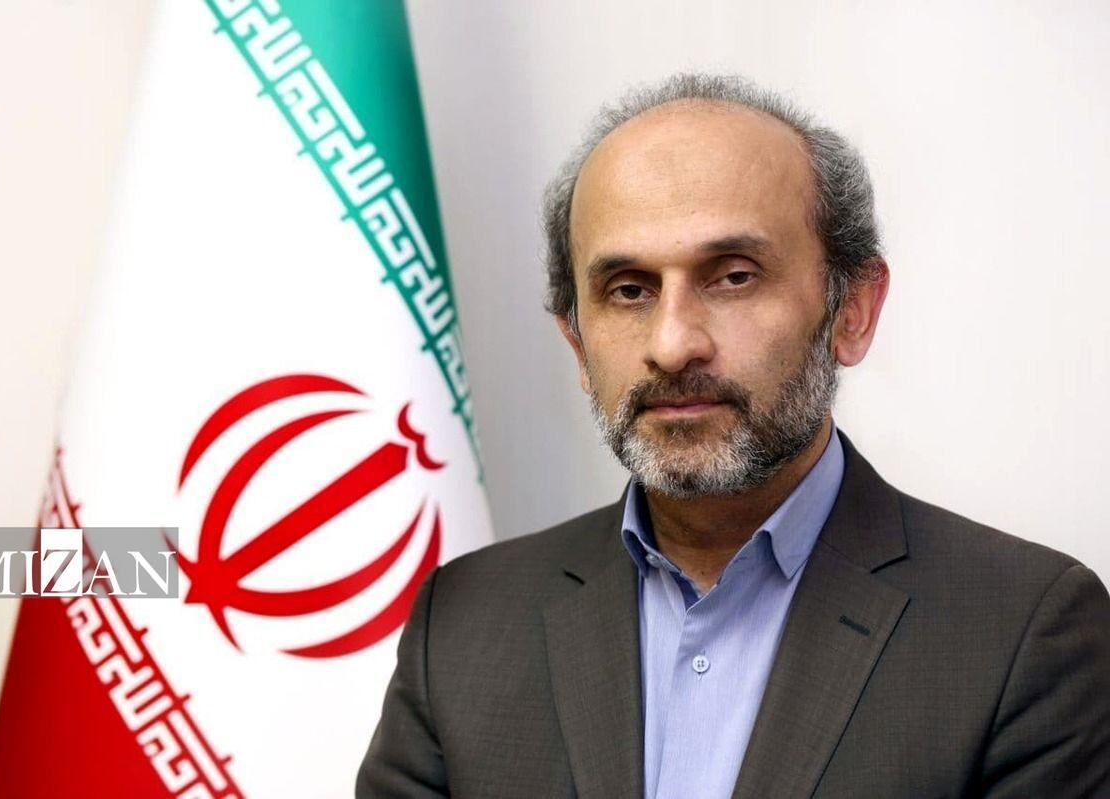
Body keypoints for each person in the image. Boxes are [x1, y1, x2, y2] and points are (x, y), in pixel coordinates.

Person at [356, 73, 1110, 798]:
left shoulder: (1023, 633)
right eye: (629, 290)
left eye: (734, 276)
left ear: (852, 310)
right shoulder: (463, 624)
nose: (673, 344)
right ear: (578, 343)